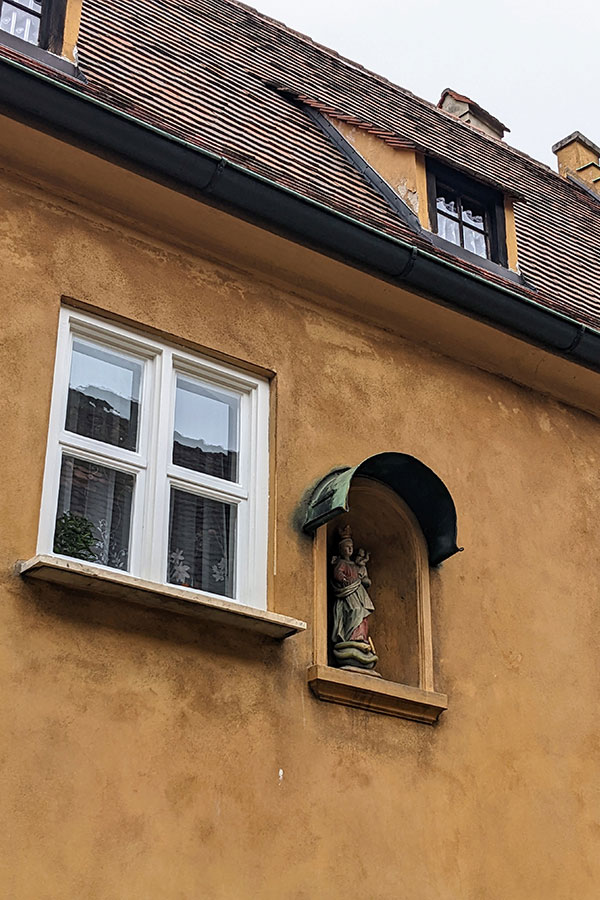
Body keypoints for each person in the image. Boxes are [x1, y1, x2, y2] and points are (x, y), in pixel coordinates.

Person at [330, 526, 375, 645]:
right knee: (355, 610)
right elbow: (337, 573)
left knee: (363, 612)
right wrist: (343, 578)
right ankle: (351, 636)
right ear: (341, 549)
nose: (350, 549)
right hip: (348, 591)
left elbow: (362, 575)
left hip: (358, 591)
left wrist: (364, 579)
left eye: (351, 547)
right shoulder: (342, 563)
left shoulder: (355, 564)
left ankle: (361, 636)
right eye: (347, 547)